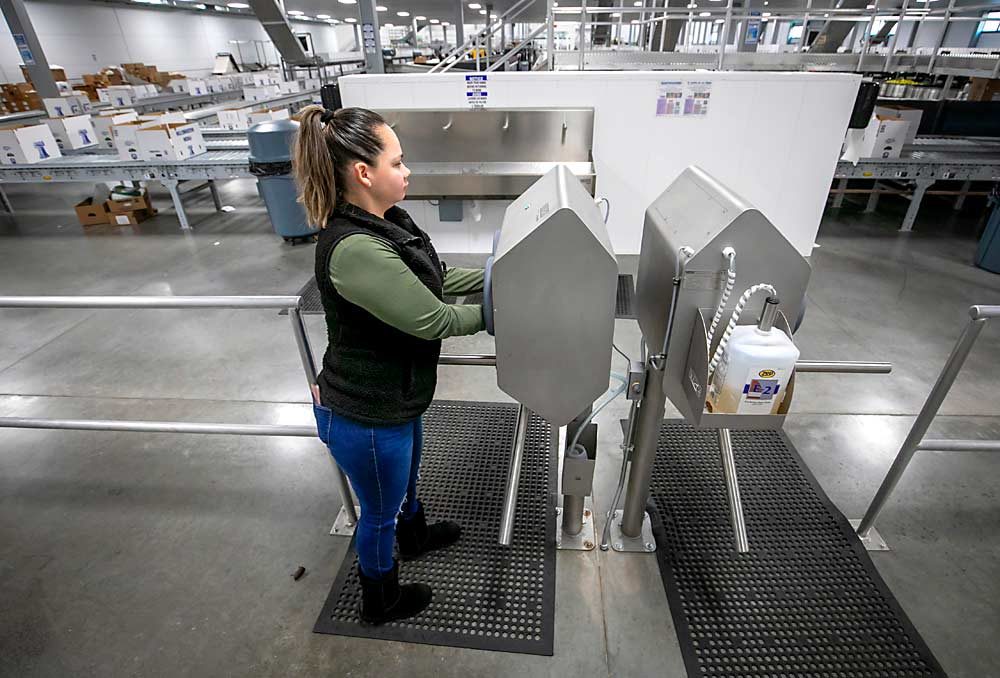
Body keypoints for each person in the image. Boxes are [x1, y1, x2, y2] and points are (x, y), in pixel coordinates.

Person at [292, 105, 486, 626]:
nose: (407, 173)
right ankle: (380, 597)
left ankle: (415, 534)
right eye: (398, 162)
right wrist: (495, 313)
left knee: (407, 479)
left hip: (397, 395)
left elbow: (437, 276)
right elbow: (433, 319)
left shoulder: (386, 221)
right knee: (377, 512)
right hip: (365, 412)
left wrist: (499, 276)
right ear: (363, 173)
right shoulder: (354, 248)